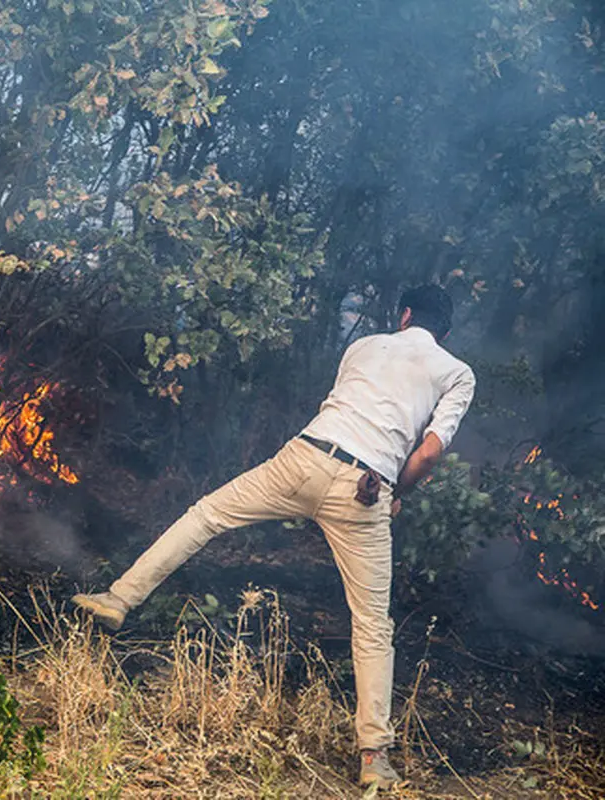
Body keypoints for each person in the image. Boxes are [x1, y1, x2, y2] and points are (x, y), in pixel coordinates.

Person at [72, 284, 475, 790]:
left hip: (304, 456)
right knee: (372, 624)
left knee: (206, 515)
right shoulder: (457, 372)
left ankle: (118, 599)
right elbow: (429, 452)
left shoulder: (366, 346)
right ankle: (374, 757)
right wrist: (399, 493)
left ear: (405, 315)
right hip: (366, 488)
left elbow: (347, 410)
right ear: (446, 331)